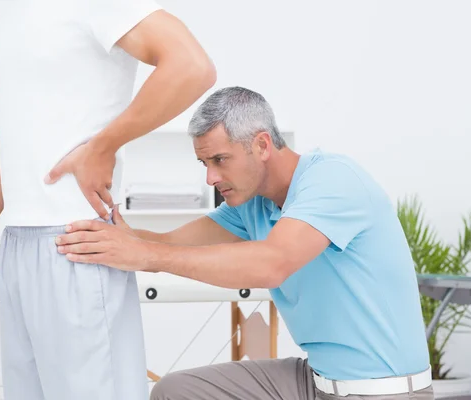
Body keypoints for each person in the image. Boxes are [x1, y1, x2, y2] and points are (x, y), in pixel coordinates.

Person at [56, 86, 435, 400]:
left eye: (220, 160)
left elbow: (272, 263)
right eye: (203, 163)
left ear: (262, 144)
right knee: (176, 392)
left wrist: (146, 254)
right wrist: (115, 236)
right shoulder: (251, 205)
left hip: (381, 391)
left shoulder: (332, 180)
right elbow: (173, 244)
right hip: (313, 381)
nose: (210, 178)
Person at [0, 0, 216, 398]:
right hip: (19, 245)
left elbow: (192, 67)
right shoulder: (12, 15)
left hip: (75, 241)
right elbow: (19, 126)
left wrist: (103, 146)